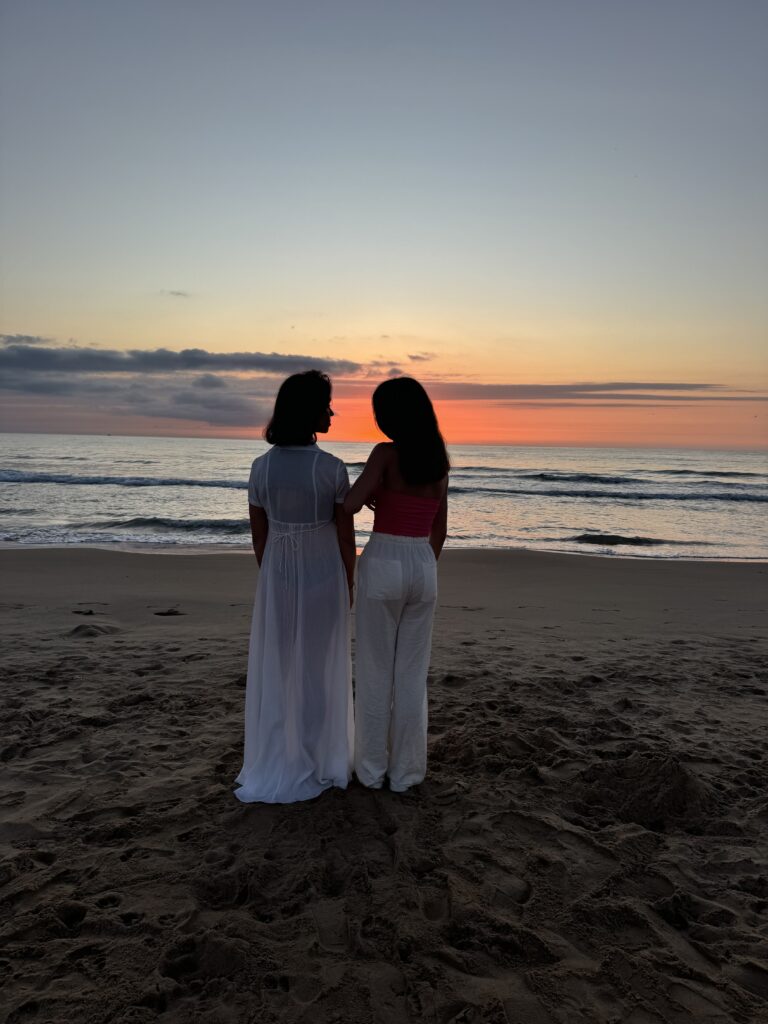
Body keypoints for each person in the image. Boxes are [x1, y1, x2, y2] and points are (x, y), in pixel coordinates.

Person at [234, 370, 356, 804]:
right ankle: (318, 756)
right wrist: (350, 581)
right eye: (326, 404)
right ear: (308, 411)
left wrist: (273, 577)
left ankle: (281, 753)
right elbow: (345, 537)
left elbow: (258, 534)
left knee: (282, 666)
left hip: (278, 575)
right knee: (319, 668)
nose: (331, 411)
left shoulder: (260, 468)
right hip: (323, 573)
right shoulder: (331, 469)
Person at [344, 377, 449, 792]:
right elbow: (439, 530)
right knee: (411, 674)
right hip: (423, 565)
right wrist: (419, 563)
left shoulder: (386, 454)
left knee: (374, 671)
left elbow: (349, 504)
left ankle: (371, 771)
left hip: (385, 558)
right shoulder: (439, 461)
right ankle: (406, 774)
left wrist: (376, 496)